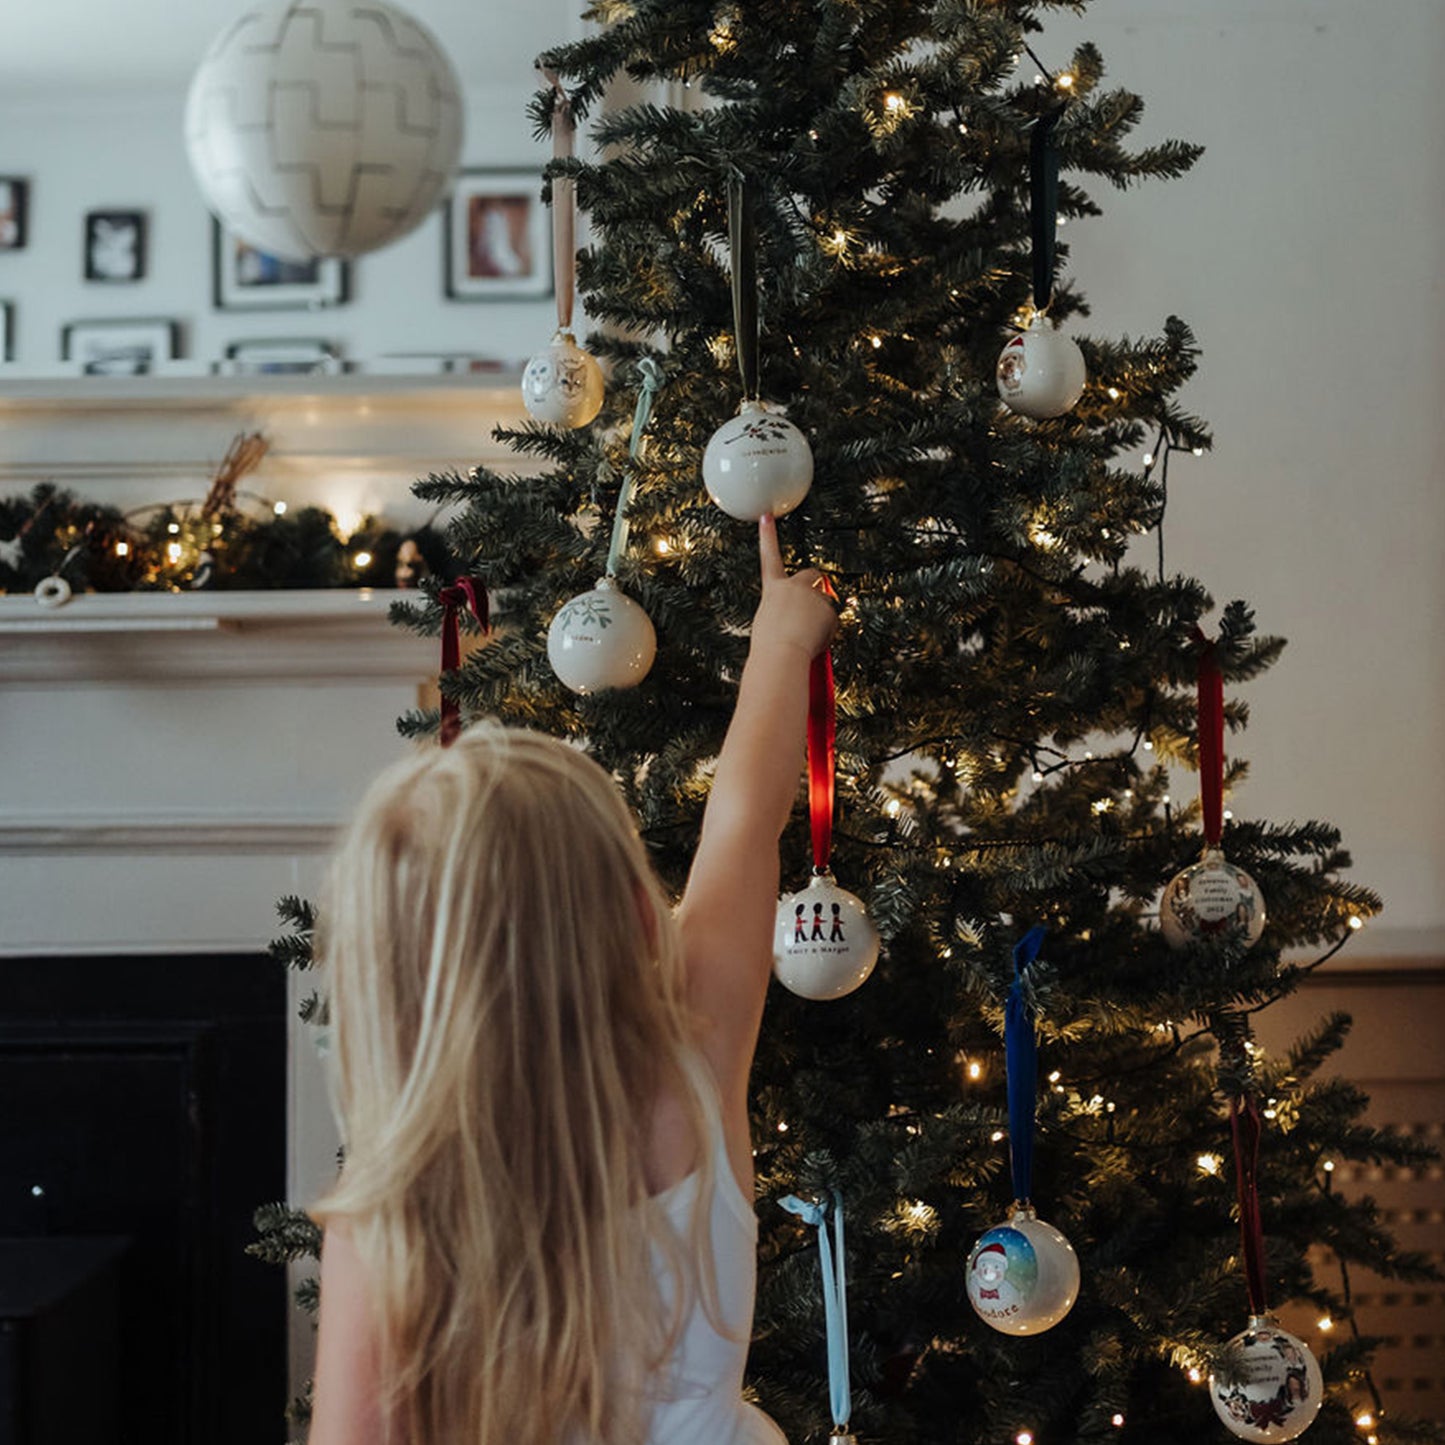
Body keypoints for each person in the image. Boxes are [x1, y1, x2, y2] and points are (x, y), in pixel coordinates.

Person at [308, 515, 838, 1445]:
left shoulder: (387, 1216)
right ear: (636, 916)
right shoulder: (693, 1066)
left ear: (388, 977)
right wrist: (782, 634)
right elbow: (745, 822)